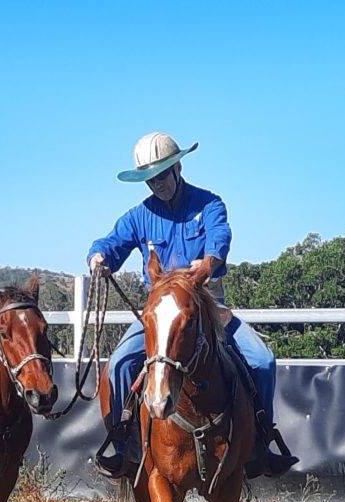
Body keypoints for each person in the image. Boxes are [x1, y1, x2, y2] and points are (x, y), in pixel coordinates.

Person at [87, 132, 298, 479]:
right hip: (161, 312)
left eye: (161, 175)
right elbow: (112, 242)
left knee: (261, 361)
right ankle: (127, 446)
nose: (156, 184)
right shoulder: (138, 216)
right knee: (122, 363)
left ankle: (259, 443)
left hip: (208, 307)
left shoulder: (209, 204)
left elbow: (220, 238)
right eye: (148, 179)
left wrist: (210, 262)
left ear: (178, 168)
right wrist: (100, 256)